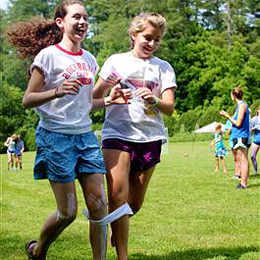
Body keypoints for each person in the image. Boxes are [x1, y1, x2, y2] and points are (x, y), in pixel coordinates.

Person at [7, 1, 130, 259]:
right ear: (61, 22)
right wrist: (56, 91)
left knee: (98, 205)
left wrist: (109, 100)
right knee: (68, 212)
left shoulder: (89, 59)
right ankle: (39, 250)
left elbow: (85, 104)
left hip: (85, 137)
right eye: (77, 16)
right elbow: (28, 99)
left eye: (85, 17)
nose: (83, 22)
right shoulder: (48, 56)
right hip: (55, 137)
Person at [93, 12, 177, 259]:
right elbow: (92, 99)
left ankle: (117, 227)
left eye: (157, 40)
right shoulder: (115, 62)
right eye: (148, 37)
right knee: (117, 197)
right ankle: (123, 256)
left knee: (134, 204)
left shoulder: (163, 67)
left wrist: (155, 99)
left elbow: (170, 108)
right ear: (134, 35)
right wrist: (110, 97)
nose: (152, 43)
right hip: (117, 135)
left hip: (149, 137)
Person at [220, 87, 251, 189]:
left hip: (240, 136)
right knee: (244, 159)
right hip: (243, 135)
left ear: (233, 96)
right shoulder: (242, 105)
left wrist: (227, 116)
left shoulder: (242, 106)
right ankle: (244, 182)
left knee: (243, 159)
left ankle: (243, 183)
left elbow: (238, 123)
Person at [250, 106, 260, 175]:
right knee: (252, 156)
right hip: (256, 139)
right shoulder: (254, 119)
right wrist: (254, 128)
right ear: (258, 110)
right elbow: (250, 129)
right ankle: (255, 171)